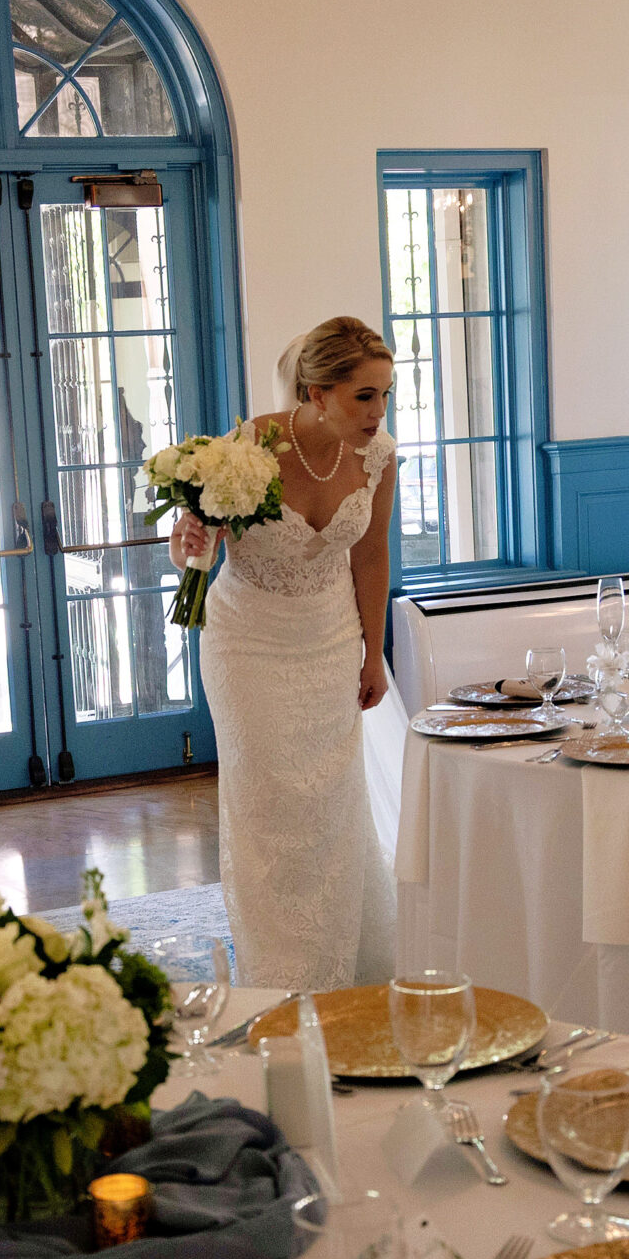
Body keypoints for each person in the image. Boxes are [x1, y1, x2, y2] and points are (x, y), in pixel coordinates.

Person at [172, 317, 398, 990]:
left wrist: (372, 653)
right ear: (317, 392)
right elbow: (196, 544)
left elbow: (373, 554)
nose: (378, 411)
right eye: (364, 396)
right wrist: (188, 539)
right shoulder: (247, 449)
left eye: (386, 394)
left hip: (331, 644)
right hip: (249, 647)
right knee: (271, 810)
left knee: (330, 810)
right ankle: (278, 975)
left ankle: (342, 970)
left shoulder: (380, 456)